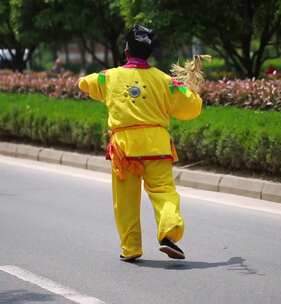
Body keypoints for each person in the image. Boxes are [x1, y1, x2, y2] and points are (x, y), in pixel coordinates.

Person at [78, 25, 202, 261]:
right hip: (157, 146)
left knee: (125, 201)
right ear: (150, 52)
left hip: (124, 148)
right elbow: (191, 108)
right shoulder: (165, 80)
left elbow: (84, 83)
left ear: (126, 49)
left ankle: (131, 249)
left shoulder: (109, 76)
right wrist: (192, 91)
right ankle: (169, 233)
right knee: (163, 191)